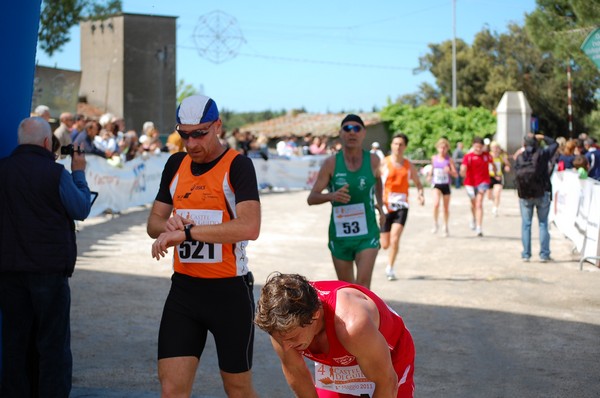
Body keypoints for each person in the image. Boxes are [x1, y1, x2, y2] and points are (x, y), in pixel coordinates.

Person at [147, 94, 261, 398]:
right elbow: (153, 223)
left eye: (200, 133)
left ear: (218, 127)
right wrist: (168, 226)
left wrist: (187, 233)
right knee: (171, 389)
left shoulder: (238, 166)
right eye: (184, 134)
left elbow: (250, 227)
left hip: (229, 293)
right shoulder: (175, 164)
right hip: (184, 292)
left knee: (237, 389)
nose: (192, 143)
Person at [0, 117, 91, 397]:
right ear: (46, 142)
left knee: (15, 343)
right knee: (53, 344)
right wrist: (78, 173)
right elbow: (81, 208)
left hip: (9, 270)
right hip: (48, 270)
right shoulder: (55, 174)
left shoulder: (3, 170)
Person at [255, 273, 415, 398]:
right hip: (339, 360)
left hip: (386, 354)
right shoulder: (281, 325)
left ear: (315, 315)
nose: (286, 347)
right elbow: (295, 370)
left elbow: (386, 382)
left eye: (292, 338)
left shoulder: (352, 326)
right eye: (279, 338)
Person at [307, 114, 384, 289]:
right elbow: (311, 198)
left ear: (364, 133)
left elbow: (378, 181)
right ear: (341, 133)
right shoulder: (331, 163)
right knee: (347, 290)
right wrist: (331, 196)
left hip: (368, 232)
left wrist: (381, 205)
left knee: (363, 286)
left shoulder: (373, 160)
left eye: (356, 128)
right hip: (340, 235)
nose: (352, 133)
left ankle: (367, 317)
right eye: (347, 129)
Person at [381, 133, 425, 280]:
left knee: (395, 239)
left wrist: (420, 194)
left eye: (401, 144)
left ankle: (390, 268)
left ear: (405, 147)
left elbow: (419, 183)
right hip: (386, 206)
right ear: (391, 145)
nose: (398, 147)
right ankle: (388, 260)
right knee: (385, 244)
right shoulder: (384, 163)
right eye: (395, 144)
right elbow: (373, 181)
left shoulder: (408, 165)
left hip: (402, 206)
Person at [514, 133, 558, 262]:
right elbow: (555, 144)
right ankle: (544, 254)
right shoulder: (543, 154)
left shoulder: (520, 157)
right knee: (543, 223)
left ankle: (526, 254)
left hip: (525, 194)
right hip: (542, 191)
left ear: (524, 144)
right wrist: (543, 136)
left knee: (526, 224)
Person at [460, 136, 495, 237]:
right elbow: (463, 168)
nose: (478, 149)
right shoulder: (468, 157)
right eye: (476, 147)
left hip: (483, 182)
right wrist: (462, 171)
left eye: (480, 147)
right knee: (473, 204)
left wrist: (495, 173)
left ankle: (479, 227)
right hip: (470, 183)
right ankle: (473, 217)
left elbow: (492, 165)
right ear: (473, 146)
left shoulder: (487, 156)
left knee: (479, 203)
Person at [427, 137, 457, 237]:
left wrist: (449, 171)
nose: (442, 150)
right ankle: (435, 223)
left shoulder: (449, 160)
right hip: (436, 184)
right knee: (435, 204)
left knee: (446, 208)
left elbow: (455, 174)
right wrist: (429, 175)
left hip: (446, 184)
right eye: (441, 147)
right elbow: (432, 169)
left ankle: (445, 225)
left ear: (447, 148)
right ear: (437, 148)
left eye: (444, 148)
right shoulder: (434, 158)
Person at [487, 141, 511, 217]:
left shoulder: (501, 156)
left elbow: (507, 164)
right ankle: (494, 202)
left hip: (498, 176)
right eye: (494, 147)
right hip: (489, 176)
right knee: (489, 196)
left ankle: (495, 208)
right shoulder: (488, 155)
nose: (495, 149)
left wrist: (507, 166)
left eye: (497, 147)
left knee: (497, 193)